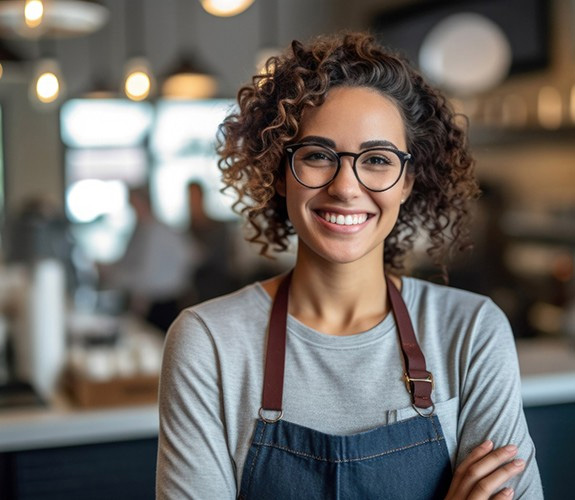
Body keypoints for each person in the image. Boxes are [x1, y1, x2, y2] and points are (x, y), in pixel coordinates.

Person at [156, 33, 543, 499]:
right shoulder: (208, 343)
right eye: (318, 156)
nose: (346, 187)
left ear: (407, 182)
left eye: (377, 160)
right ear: (280, 172)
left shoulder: (471, 332)